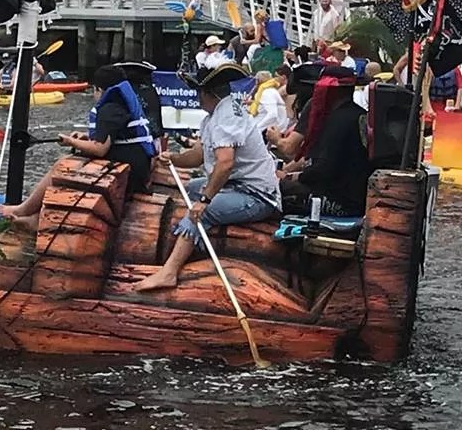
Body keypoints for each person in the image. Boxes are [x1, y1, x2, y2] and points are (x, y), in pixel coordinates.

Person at [133, 61, 283, 292]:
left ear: (207, 93)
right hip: (236, 185)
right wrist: (174, 158)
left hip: (258, 196)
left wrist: (204, 201)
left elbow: (225, 163)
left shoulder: (227, 117)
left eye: (198, 92)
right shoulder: (214, 116)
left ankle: (169, 271)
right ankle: (193, 240)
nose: (196, 98)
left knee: (201, 212)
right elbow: (198, 156)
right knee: (192, 187)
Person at [0, 64, 164, 229]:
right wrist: (86, 137)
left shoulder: (110, 108)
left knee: (61, 166)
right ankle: (35, 219)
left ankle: (23, 210)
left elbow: (100, 149)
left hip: (131, 170)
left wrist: (70, 141)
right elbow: (114, 136)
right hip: (137, 163)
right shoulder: (120, 102)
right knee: (70, 165)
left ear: (99, 89)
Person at [277, 69, 371, 218]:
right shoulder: (358, 113)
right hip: (355, 197)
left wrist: (291, 177)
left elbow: (322, 169)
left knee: (273, 190)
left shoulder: (337, 119)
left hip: (339, 201)